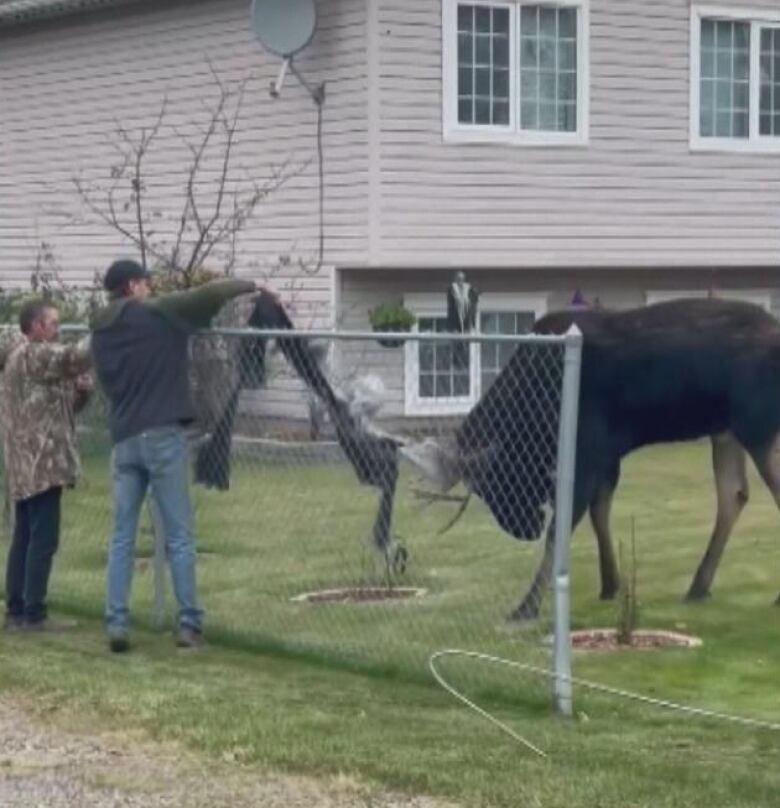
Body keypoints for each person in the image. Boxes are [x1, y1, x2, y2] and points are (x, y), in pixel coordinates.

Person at [89, 258, 264, 653]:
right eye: (146, 282)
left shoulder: (100, 330)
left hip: (124, 437)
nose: (150, 288)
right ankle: (189, 625)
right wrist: (253, 285)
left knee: (122, 537)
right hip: (163, 433)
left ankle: (116, 623)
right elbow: (211, 293)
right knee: (180, 536)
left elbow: (106, 384)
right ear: (133, 285)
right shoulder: (159, 313)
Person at [1, 300, 93, 631]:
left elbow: (62, 406)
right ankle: (34, 612)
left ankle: (15, 610)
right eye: (54, 324)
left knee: (24, 536)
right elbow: (74, 357)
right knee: (43, 538)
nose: (58, 330)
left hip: (23, 463)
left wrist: (82, 391)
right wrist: (112, 328)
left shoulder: (17, 359)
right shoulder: (35, 354)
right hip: (42, 463)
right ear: (37, 327)